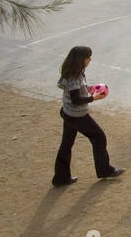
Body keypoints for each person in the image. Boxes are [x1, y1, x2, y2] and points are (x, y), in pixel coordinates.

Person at [52, 45, 124, 186]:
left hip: (68, 113)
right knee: (99, 137)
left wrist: (88, 88)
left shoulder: (74, 72)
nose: (90, 59)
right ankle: (104, 170)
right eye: (88, 57)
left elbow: (75, 91)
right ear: (81, 59)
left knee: (66, 145)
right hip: (77, 116)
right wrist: (94, 98)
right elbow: (76, 99)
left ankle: (60, 177)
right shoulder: (75, 76)